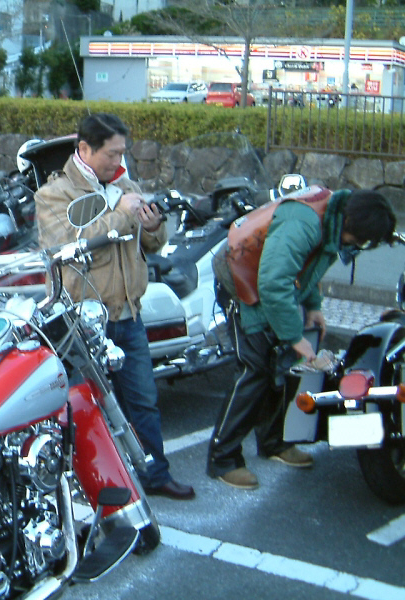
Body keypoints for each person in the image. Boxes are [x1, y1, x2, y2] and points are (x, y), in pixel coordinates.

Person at [35, 113, 195, 500]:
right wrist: (122, 212)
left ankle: (155, 475)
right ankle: (92, 487)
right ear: (85, 149)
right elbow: (68, 243)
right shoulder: (54, 194)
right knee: (85, 407)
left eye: (123, 152)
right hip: (83, 321)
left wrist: (153, 226)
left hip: (129, 314)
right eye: (111, 154)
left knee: (143, 401)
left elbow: (151, 244)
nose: (118, 161)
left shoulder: (125, 185)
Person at [208, 188, 396, 489]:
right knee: (254, 371)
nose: (356, 247)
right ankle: (223, 459)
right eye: (358, 241)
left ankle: (273, 443)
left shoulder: (333, 219)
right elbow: (273, 283)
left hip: (269, 281)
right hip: (241, 279)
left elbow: (308, 266)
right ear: (350, 222)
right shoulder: (305, 223)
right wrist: (295, 337)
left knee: (282, 368)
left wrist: (313, 306)